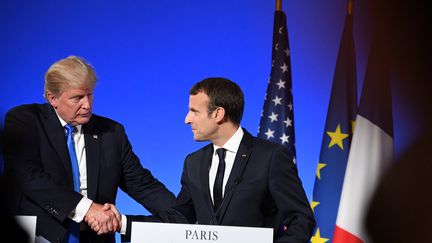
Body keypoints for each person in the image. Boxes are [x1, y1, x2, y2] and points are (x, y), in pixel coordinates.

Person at [105, 77, 315, 242]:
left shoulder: (270, 157)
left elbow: (301, 219)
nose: (187, 119)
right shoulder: (193, 163)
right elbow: (180, 219)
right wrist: (123, 223)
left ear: (218, 114)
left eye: (194, 111)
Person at [2, 55, 176, 243]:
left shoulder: (111, 132)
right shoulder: (26, 120)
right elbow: (28, 175)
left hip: (96, 237)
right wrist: (88, 208)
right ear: (53, 99)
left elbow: (141, 184)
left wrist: (185, 215)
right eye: (77, 97)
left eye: (90, 94)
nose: (87, 105)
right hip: (41, 234)